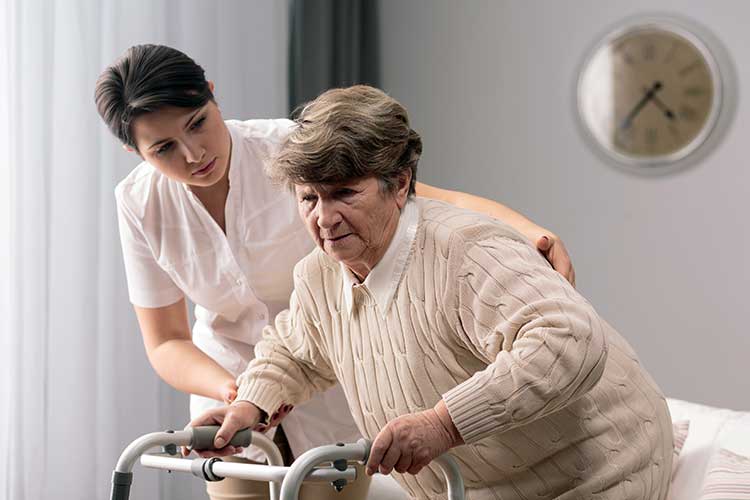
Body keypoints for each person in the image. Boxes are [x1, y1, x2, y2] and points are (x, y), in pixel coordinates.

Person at [94, 44, 576, 500]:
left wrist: (531, 232)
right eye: (164, 149)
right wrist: (237, 390)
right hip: (233, 391)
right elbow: (166, 341)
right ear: (134, 152)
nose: (193, 154)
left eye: (198, 124)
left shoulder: (287, 148)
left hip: (329, 371)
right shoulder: (139, 204)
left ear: (213, 93)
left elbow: (419, 198)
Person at [191, 85, 674, 500]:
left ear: (399, 184)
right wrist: (249, 408)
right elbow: (295, 353)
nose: (324, 218)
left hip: (591, 477)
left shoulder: (467, 250)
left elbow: (567, 339)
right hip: (472, 488)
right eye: (309, 198)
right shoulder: (317, 275)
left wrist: (445, 424)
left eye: (344, 193)